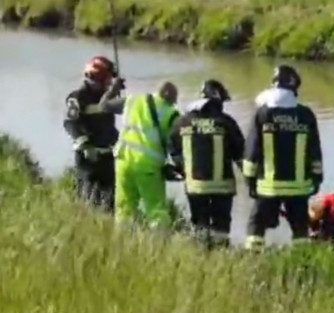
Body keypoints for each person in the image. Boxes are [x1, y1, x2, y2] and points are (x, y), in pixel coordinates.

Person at [242, 64, 324, 250]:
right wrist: (317, 179)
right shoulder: (305, 115)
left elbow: (252, 151)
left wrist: (249, 181)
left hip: (268, 186)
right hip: (299, 187)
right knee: (300, 228)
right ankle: (302, 261)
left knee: (256, 225)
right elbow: (314, 151)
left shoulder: (263, 114)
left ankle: (252, 259)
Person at [168, 79, 245, 248]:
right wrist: (252, 182)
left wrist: (184, 170)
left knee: (199, 223)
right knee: (221, 225)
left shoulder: (181, 122)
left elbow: (173, 151)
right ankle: (221, 255)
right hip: (223, 187)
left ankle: (201, 254)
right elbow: (241, 156)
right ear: (217, 99)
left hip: (195, 186)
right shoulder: (227, 123)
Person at [98, 80, 182, 230]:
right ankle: (157, 246)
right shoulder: (171, 114)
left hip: (123, 162)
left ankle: (124, 242)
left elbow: (104, 106)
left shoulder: (133, 100)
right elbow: (174, 146)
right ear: (171, 99)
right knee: (156, 210)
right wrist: (178, 167)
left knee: (124, 209)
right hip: (148, 167)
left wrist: (113, 88)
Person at [63, 56, 122, 212]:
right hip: (89, 158)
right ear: (96, 78)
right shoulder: (77, 97)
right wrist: (84, 144)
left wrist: (115, 93)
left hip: (108, 155)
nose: (109, 82)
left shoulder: (106, 95)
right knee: (87, 199)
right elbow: (70, 123)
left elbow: (116, 108)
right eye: (108, 79)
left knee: (109, 201)